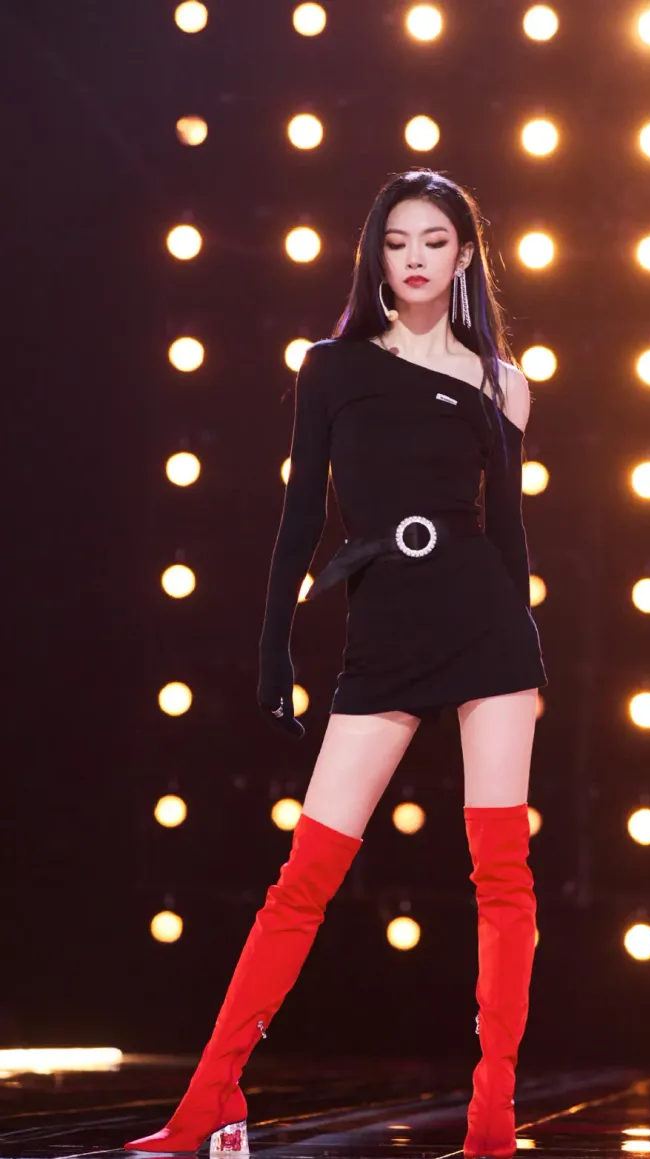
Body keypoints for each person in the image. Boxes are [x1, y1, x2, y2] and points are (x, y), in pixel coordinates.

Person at [125, 168, 547, 1159]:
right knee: (304, 876)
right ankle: (210, 1096)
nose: (414, 257)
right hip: (384, 629)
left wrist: (530, 658)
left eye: (433, 240)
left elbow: (511, 535)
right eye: (396, 241)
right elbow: (298, 519)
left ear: (463, 255)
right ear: (375, 254)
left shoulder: (501, 382)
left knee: (501, 875)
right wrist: (273, 643)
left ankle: (491, 1116)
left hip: (485, 623)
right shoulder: (331, 367)